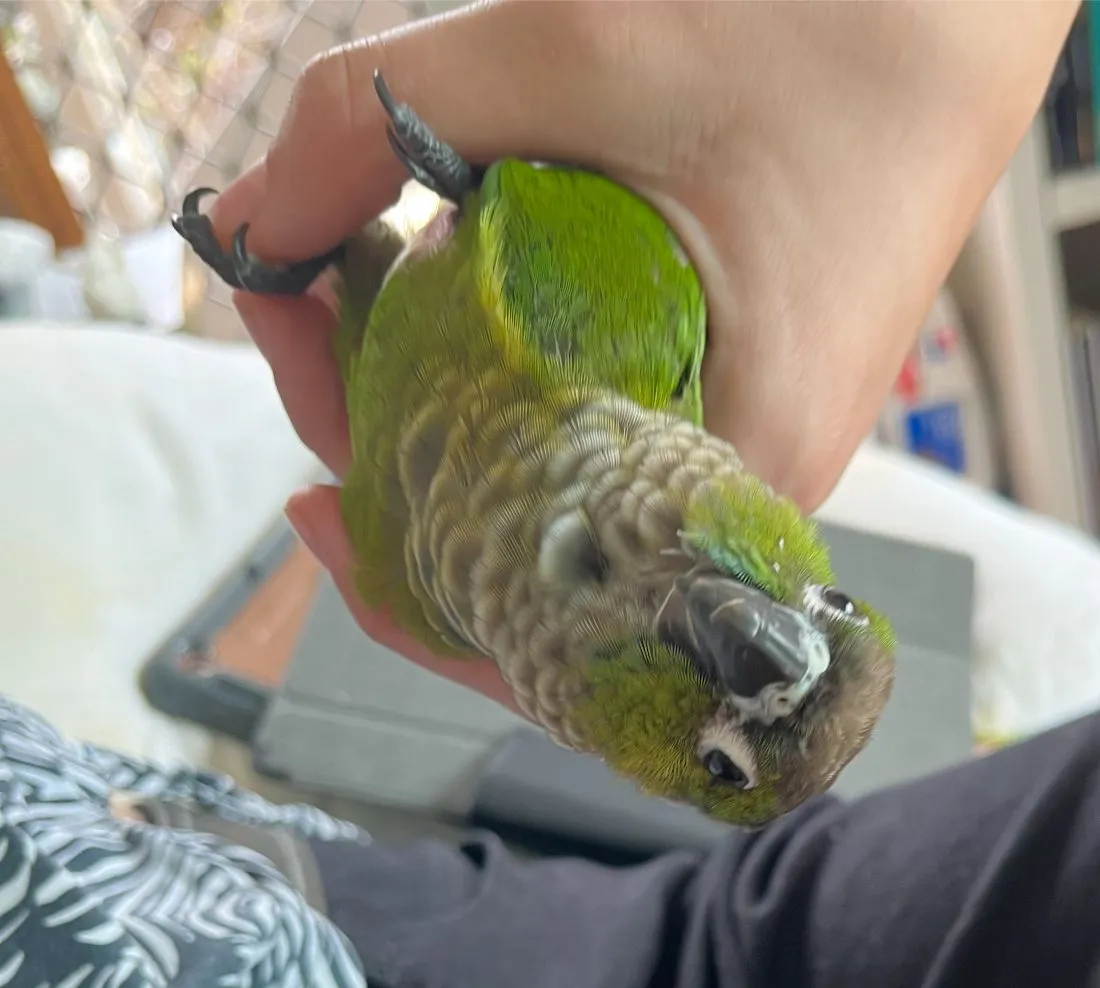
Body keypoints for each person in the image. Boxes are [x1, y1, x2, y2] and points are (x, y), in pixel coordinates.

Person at [11, 2, 1100, 986]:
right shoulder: (625, 339)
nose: (761, 649)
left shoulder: (427, 586)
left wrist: (329, 263)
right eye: (825, 607)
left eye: (718, 754)